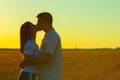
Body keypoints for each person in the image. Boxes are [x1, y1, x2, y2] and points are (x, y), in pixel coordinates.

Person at [20, 12, 62, 80]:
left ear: (46, 22)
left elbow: (46, 58)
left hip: (51, 77)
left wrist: (26, 62)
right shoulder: (47, 37)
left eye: (39, 21)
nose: (37, 24)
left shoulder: (52, 37)